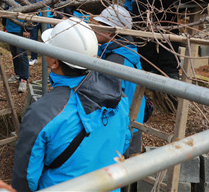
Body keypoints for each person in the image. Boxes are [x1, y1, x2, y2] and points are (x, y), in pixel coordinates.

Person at [12, 17, 130, 192]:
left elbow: (26, 179)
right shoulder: (119, 97)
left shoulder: (43, 113)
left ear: (54, 62)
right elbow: (124, 141)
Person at [92, 5, 146, 157]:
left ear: (110, 32)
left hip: (123, 129)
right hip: (133, 122)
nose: (94, 29)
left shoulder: (116, 62)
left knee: (119, 167)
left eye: (99, 25)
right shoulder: (125, 50)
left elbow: (105, 101)